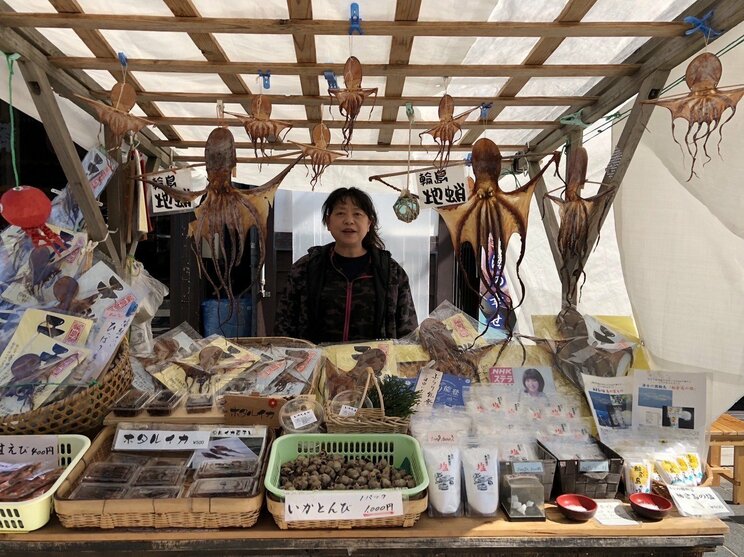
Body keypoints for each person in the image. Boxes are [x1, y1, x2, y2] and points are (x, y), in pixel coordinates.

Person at [274, 187, 418, 343]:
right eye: (340, 213)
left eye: (357, 214)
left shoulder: (391, 272)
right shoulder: (305, 268)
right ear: (328, 222)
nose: (349, 220)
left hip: (375, 365)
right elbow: (284, 328)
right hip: (317, 365)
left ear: (369, 223)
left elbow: (407, 332)